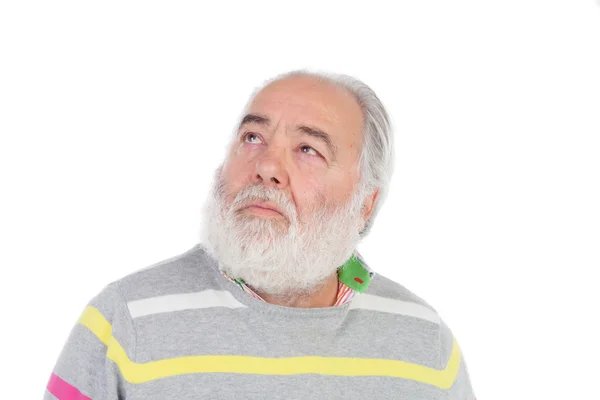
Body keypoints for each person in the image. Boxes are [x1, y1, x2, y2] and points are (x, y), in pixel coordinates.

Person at [44, 70, 476, 399]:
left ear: (365, 201)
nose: (267, 165)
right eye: (253, 137)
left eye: (308, 149)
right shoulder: (124, 321)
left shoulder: (425, 343)